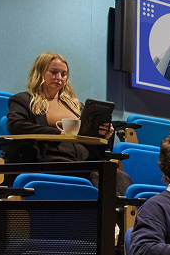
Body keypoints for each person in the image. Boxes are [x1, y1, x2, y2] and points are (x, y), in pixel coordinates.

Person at [7, 52, 131, 192]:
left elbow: (88, 138)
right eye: (54, 72)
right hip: (51, 159)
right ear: (40, 72)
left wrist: (104, 134)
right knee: (94, 178)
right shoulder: (24, 100)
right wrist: (57, 133)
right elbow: (16, 125)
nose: (59, 78)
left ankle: (125, 213)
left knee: (121, 178)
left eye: (63, 74)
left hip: (83, 159)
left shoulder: (76, 106)